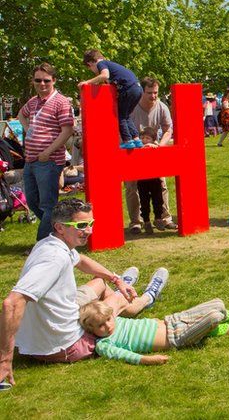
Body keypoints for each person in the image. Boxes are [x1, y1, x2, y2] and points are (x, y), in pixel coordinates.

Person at [0, 199, 140, 385]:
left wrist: (116, 279)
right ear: (60, 227)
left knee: (100, 282)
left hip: (55, 319)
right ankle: (145, 298)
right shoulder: (54, 259)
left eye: (91, 223)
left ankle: (125, 287)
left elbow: (80, 260)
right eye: (81, 225)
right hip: (64, 345)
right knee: (115, 300)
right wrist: (4, 361)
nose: (89, 230)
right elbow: (12, 303)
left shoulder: (50, 243)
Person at [17, 62, 75, 241]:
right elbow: (21, 114)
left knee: (48, 204)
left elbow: (67, 131)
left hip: (48, 162)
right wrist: (29, 128)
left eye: (46, 81)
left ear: (54, 80)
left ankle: (42, 244)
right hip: (31, 160)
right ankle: (59, 231)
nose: (42, 84)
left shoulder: (61, 102)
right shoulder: (33, 102)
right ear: (33, 81)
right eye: (38, 80)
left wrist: (48, 152)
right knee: (32, 201)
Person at [79, 298, 229, 365]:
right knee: (216, 316)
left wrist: (161, 321)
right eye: (100, 326)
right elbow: (125, 355)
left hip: (172, 320)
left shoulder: (116, 321)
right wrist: (147, 359)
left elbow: (139, 324)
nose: (108, 326)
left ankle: (206, 328)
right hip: (175, 336)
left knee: (219, 303)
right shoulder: (104, 344)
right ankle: (207, 331)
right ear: (90, 328)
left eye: (108, 319)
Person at [124, 77, 178, 234]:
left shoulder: (162, 107)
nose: (153, 96)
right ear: (141, 91)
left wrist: (159, 146)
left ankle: (165, 218)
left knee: (161, 184)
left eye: (155, 92)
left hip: (153, 150)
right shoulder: (131, 107)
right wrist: (136, 145)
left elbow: (168, 129)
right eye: (149, 93)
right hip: (133, 151)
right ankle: (136, 222)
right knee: (131, 186)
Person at [79, 49, 143, 149]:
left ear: (90, 62)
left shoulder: (101, 63)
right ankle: (136, 139)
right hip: (137, 89)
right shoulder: (112, 66)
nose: (92, 71)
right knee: (126, 115)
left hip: (129, 89)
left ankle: (127, 141)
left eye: (89, 68)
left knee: (120, 115)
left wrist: (88, 82)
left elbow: (105, 75)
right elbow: (109, 81)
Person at [135, 128, 166, 235]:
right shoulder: (137, 147)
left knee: (158, 199)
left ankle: (158, 218)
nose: (144, 140)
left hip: (155, 179)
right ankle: (146, 221)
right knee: (144, 202)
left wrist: (155, 146)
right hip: (142, 181)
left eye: (147, 138)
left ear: (153, 140)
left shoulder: (155, 147)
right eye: (142, 138)